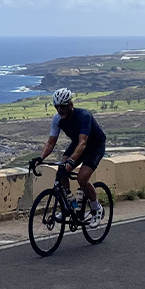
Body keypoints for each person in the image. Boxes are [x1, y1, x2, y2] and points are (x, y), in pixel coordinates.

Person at [29, 88, 107, 226]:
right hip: (77, 144)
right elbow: (51, 142)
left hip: (94, 146)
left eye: (63, 106)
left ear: (71, 104)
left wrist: (72, 160)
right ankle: (70, 205)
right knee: (61, 173)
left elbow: (83, 143)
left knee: (82, 178)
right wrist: (40, 158)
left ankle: (97, 208)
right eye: (57, 107)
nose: (60, 110)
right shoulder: (57, 119)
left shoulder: (84, 116)